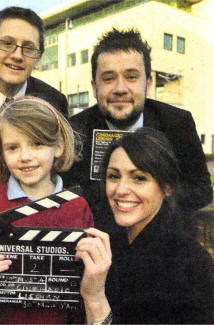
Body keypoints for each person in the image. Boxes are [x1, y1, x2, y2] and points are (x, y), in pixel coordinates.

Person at [0, 96, 94, 324]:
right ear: (1, 152)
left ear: (59, 146)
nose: (25, 156)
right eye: (12, 147)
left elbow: (84, 283)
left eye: (37, 144)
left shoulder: (77, 206)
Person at [64, 28, 212, 231]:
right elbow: (65, 194)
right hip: (95, 240)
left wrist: (150, 200)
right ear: (94, 86)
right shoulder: (74, 130)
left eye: (132, 77)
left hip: (162, 241)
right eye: (108, 78)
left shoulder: (177, 123)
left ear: (148, 82)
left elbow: (202, 189)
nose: (120, 88)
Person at [80, 128, 214, 324]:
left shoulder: (192, 265)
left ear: (166, 187)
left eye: (139, 178)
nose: (121, 190)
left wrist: (95, 300)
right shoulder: (107, 246)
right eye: (114, 176)